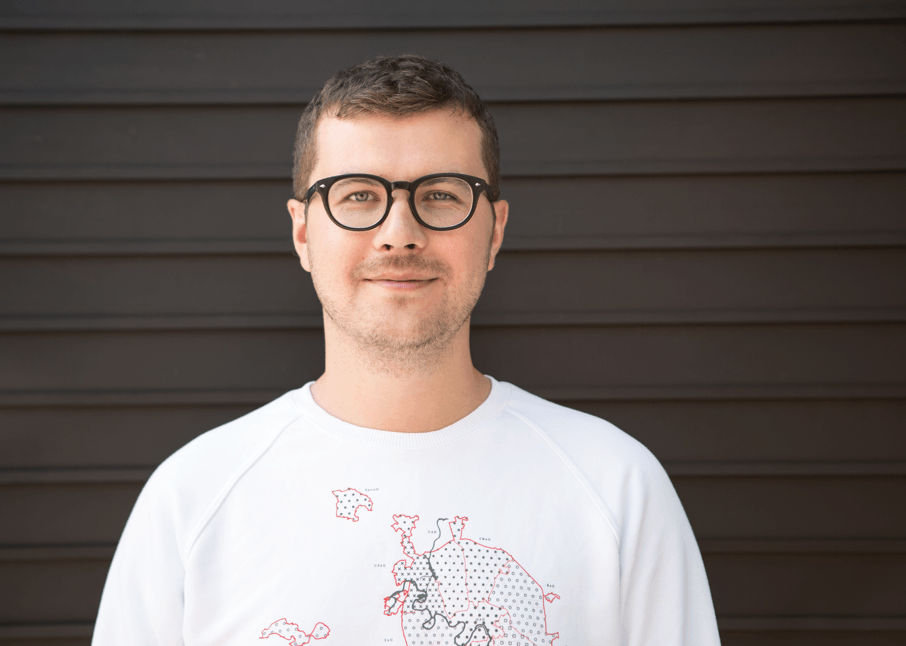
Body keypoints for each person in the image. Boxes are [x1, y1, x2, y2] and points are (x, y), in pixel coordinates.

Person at [92, 55, 720, 646]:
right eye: (358, 195)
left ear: (495, 232)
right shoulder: (193, 499)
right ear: (303, 232)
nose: (399, 234)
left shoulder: (616, 488)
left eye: (442, 194)